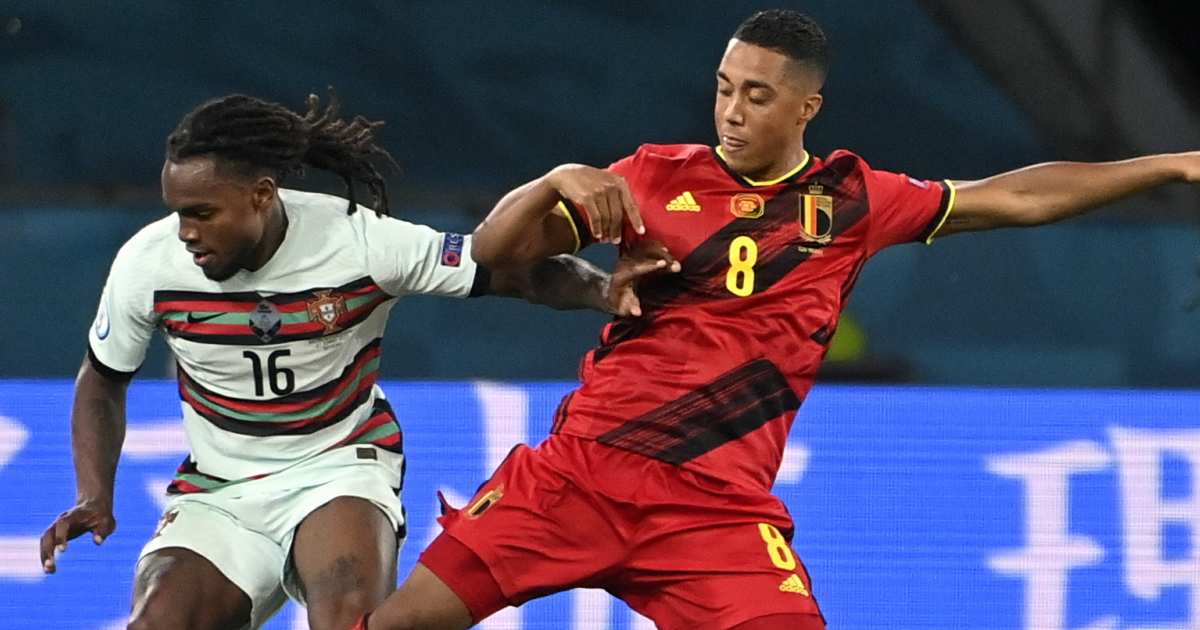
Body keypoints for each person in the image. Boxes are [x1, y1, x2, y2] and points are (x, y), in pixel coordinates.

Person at [359, 8, 1200, 630]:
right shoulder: (651, 178)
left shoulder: (852, 201)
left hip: (714, 513)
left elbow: (1014, 197)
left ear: (806, 108)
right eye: (724, 89)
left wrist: (1168, 163)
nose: (731, 112)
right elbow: (496, 252)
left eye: (757, 96)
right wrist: (554, 179)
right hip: (579, 477)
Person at [37, 91, 672, 630]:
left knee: (350, 619)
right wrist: (95, 494)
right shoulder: (148, 264)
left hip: (338, 467)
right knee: (158, 622)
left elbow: (513, 271)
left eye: (202, 213)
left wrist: (602, 290)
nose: (186, 233)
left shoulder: (360, 241)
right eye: (178, 214)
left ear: (261, 194)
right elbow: (102, 380)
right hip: (220, 486)